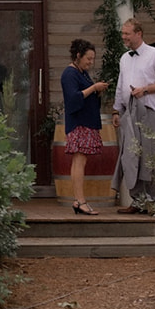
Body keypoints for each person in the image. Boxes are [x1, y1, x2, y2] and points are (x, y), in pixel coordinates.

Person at [111, 18, 155, 213]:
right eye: (123, 33)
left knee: (151, 156)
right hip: (129, 113)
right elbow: (121, 84)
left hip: (149, 113)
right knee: (130, 156)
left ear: (139, 34)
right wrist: (116, 110)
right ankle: (138, 201)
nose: (124, 37)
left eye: (127, 33)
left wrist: (145, 90)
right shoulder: (124, 58)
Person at [60, 38, 108, 216]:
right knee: (79, 161)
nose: (91, 62)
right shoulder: (69, 74)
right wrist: (94, 88)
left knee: (81, 161)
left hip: (87, 122)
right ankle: (80, 201)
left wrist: (96, 89)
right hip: (79, 124)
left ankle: (78, 200)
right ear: (78, 56)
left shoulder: (82, 73)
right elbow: (73, 99)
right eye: (88, 58)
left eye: (93, 59)